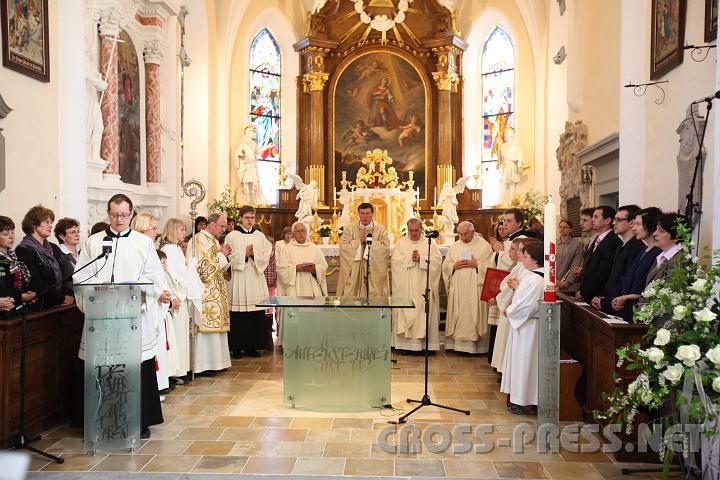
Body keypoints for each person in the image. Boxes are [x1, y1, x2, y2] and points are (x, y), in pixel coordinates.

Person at [72, 194, 168, 438]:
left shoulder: (142, 243)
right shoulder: (94, 243)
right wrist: (99, 291)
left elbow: (155, 277)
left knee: (136, 366)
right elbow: (80, 277)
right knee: (102, 368)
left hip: (132, 317)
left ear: (131, 214)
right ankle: (98, 420)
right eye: (115, 214)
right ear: (108, 213)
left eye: (124, 215)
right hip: (102, 318)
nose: (119, 219)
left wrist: (136, 292)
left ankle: (140, 420)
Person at [500, 241, 545, 415]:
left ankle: (524, 401)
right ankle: (520, 399)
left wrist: (510, 310)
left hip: (528, 329)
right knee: (521, 364)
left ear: (534, 259)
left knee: (525, 364)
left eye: (525, 256)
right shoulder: (532, 276)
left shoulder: (535, 279)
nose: (523, 259)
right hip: (524, 326)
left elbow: (526, 306)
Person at [131, 213, 172, 393]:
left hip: (156, 304)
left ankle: (159, 384)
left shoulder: (149, 246)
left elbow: (156, 275)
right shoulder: (136, 247)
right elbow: (139, 277)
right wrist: (157, 293)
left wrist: (163, 291)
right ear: (142, 228)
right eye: (153, 228)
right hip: (145, 305)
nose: (157, 232)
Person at [224, 206, 272, 358]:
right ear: (241, 218)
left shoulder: (259, 235)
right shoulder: (232, 236)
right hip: (239, 278)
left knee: (255, 313)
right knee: (239, 316)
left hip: (254, 277)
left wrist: (255, 254)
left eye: (252, 217)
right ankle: (237, 348)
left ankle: (253, 347)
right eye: (247, 217)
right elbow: (228, 257)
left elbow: (267, 253)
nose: (250, 220)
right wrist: (244, 254)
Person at [189, 212, 233, 374]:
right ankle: (204, 365)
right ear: (213, 224)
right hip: (205, 291)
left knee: (216, 328)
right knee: (206, 327)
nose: (224, 229)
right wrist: (221, 255)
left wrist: (225, 257)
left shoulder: (213, 240)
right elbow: (204, 270)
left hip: (216, 289)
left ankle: (217, 363)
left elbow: (218, 264)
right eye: (222, 226)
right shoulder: (199, 239)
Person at [160, 218, 203, 382]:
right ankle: (177, 372)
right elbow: (172, 275)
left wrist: (189, 267)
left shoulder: (176, 248)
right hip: (176, 296)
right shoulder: (169, 249)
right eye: (181, 230)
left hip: (181, 295)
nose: (184, 233)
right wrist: (178, 293)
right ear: (173, 230)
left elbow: (181, 271)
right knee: (177, 335)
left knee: (182, 333)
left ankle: (183, 368)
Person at [442, 221, 494, 354]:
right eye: (460, 234)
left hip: (475, 287)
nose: (463, 237)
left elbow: (492, 266)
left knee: (473, 313)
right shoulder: (455, 246)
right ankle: (456, 345)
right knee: (459, 313)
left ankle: (476, 347)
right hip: (458, 288)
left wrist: (476, 264)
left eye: (465, 234)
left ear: (473, 231)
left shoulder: (484, 246)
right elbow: (446, 264)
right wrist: (453, 266)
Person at [391, 218, 442, 353]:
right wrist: (409, 259)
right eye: (411, 230)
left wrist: (422, 259)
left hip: (423, 284)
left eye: (416, 230)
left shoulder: (430, 243)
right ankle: (404, 345)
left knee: (424, 310)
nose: (413, 233)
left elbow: (437, 262)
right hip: (406, 286)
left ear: (421, 229)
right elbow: (395, 261)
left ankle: (427, 346)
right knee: (406, 310)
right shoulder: (401, 243)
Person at [609, 207, 662, 322]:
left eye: (638, 224)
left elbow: (650, 287)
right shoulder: (645, 250)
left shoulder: (658, 253)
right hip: (628, 308)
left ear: (650, 225)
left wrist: (627, 297)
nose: (634, 228)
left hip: (642, 311)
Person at [15, 205, 73, 310]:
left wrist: (68, 295)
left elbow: (64, 277)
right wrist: (61, 299)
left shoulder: (54, 248)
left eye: (51, 223)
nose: (51, 226)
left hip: (61, 304)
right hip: (40, 306)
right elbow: (35, 283)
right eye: (47, 222)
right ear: (33, 224)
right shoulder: (24, 250)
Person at [490, 238, 534, 373]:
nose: (512, 252)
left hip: (512, 309)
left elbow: (512, 287)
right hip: (509, 308)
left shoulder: (524, 269)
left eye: (516, 249)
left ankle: (505, 370)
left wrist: (501, 300)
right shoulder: (519, 266)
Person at [593, 205, 645, 313]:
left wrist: (607, 301)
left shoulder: (636, 247)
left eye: (618, 220)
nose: (613, 223)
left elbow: (625, 280)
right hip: (611, 302)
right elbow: (613, 278)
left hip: (620, 306)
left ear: (631, 223)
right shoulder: (621, 246)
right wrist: (604, 298)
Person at [337, 202, 390, 297]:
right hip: (355, 267)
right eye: (362, 213)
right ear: (358, 214)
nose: (365, 216)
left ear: (372, 214)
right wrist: (359, 241)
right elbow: (343, 245)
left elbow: (385, 247)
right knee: (351, 291)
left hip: (373, 267)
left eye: (368, 213)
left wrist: (370, 242)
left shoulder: (380, 229)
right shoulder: (350, 228)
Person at [577, 206, 622, 303]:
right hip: (589, 295)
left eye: (596, 217)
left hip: (598, 296)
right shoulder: (597, 239)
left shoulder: (612, 241)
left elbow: (603, 272)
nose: (592, 220)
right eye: (592, 217)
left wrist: (584, 292)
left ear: (607, 220)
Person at [277, 222, 328, 298]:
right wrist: (295, 268)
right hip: (294, 289)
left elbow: (324, 267)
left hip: (312, 288)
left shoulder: (315, 249)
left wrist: (315, 269)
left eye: (303, 231)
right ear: (293, 233)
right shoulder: (286, 250)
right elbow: (280, 270)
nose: (301, 233)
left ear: (306, 232)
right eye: (298, 231)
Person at [0, 216, 35, 319]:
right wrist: (21, 296)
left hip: (15, 311)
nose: (11, 237)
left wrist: (24, 294)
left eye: (13, 232)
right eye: (6, 234)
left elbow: (13, 284)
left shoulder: (12, 256)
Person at [54, 217, 82, 296]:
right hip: (69, 297)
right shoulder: (58, 255)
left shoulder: (83, 252)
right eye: (73, 232)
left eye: (78, 231)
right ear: (62, 237)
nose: (77, 234)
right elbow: (60, 282)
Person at [497, 127, 523, 207]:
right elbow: (500, 158)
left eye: (506, 133)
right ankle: (501, 201)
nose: (504, 135)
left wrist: (520, 162)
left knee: (512, 185)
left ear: (511, 134)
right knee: (504, 185)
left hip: (512, 167)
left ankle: (511, 203)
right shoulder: (503, 146)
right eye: (504, 133)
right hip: (505, 168)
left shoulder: (516, 147)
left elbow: (520, 156)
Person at [556, 219, 583, 290]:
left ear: (570, 229)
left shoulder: (577, 244)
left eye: (565, 227)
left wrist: (568, 281)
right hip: (554, 282)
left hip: (568, 284)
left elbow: (576, 264)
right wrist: (553, 279)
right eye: (560, 227)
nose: (562, 229)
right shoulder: (554, 244)